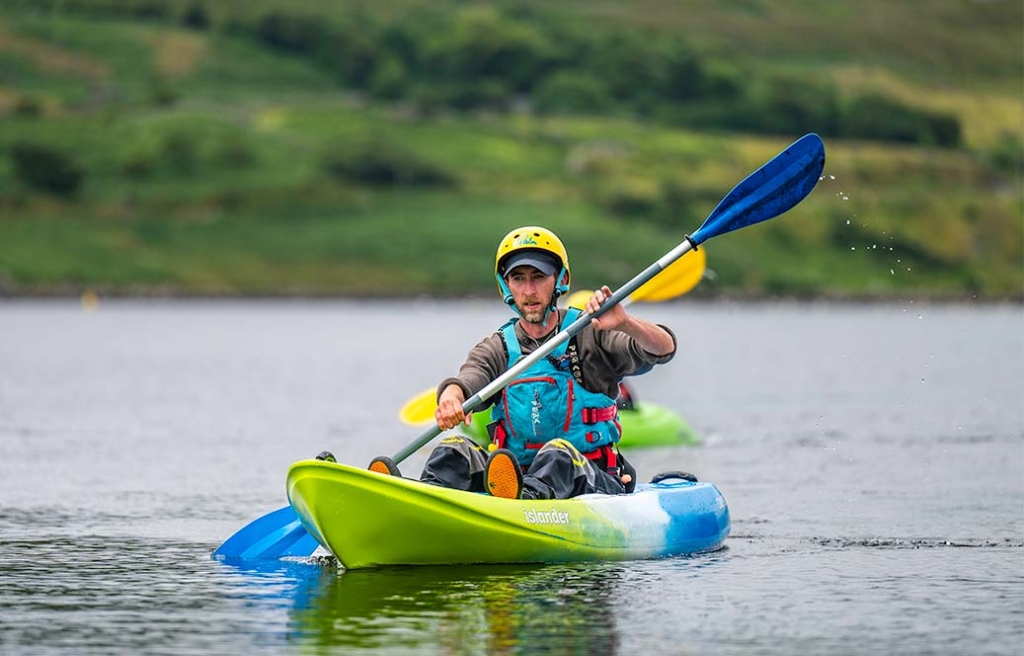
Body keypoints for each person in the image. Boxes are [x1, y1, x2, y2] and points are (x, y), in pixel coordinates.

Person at [368, 226, 677, 500]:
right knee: (454, 450)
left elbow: (664, 348)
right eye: (518, 278)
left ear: (561, 280)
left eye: (538, 277)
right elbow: (468, 379)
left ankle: (523, 498)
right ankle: (422, 501)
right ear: (506, 286)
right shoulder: (498, 347)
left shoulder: (592, 332)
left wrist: (625, 324)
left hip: (591, 479)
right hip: (511, 478)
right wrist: (451, 400)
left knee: (558, 456)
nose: (529, 291)